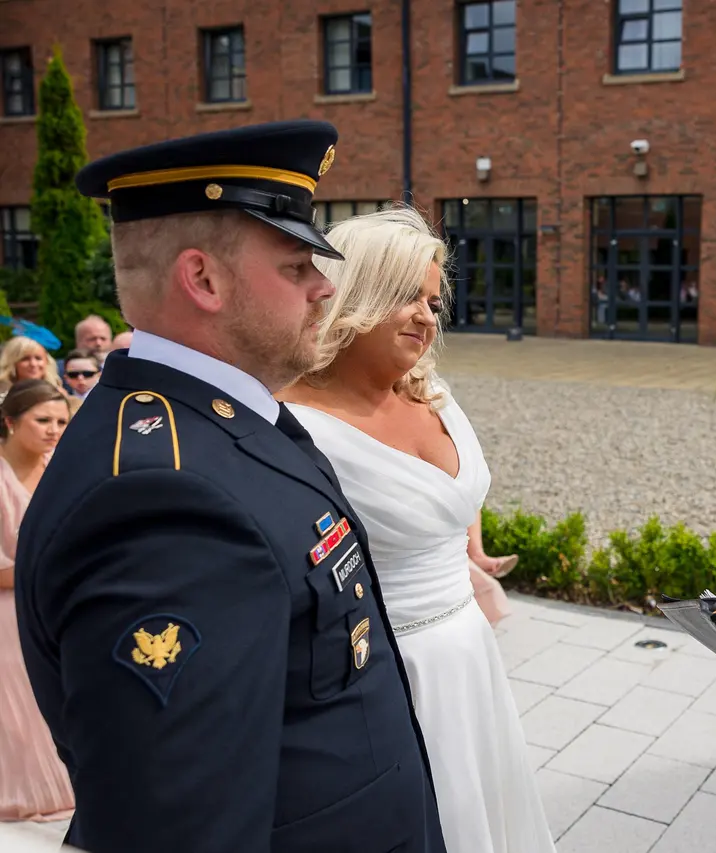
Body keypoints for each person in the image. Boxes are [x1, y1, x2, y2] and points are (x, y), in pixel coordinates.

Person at [14, 121, 445, 853]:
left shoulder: (223, 422)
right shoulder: (160, 504)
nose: (324, 287)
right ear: (202, 279)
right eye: (295, 265)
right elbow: (184, 829)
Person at [279, 205, 557, 853]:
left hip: (471, 652)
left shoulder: (434, 392)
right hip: (390, 667)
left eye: (434, 301)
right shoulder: (292, 423)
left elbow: (457, 500)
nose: (428, 316)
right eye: (408, 295)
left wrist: (473, 551)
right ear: (356, 293)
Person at [0, 380, 74, 823]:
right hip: (11, 612)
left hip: (60, 607)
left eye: (61, 422)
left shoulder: (63, 469)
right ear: (9, 422)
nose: (53, 430)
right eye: (42, 420)